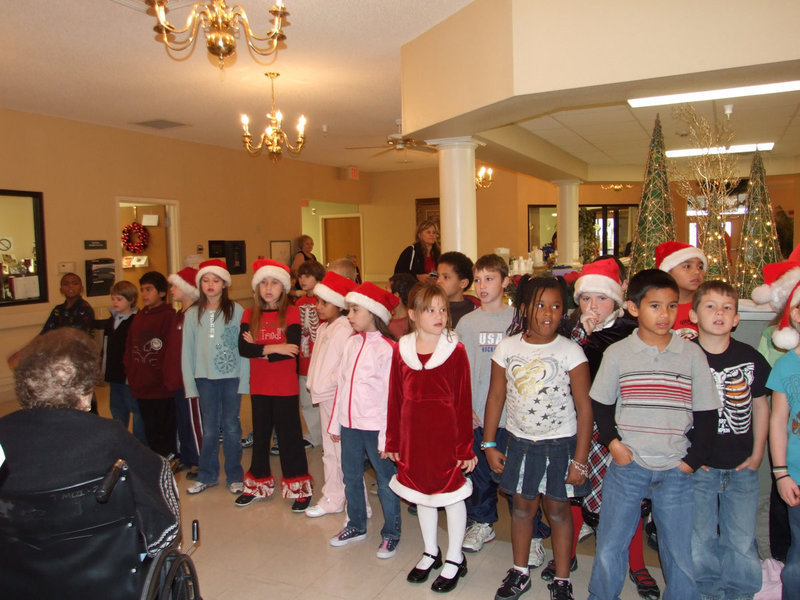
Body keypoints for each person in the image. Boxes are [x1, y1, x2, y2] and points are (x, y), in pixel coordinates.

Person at [588, 269, 720, 600]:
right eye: (655, 306)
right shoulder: (618, 353)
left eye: (672, 306)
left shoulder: (691, 354)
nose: (665, 315)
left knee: (678, 552)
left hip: (676, 469)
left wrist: (692, 460)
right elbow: (600, 405)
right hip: (628, 465)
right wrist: (614, 444)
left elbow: (707, 413)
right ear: (633, 308)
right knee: (610, 545)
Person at [0, 328, 179, 559]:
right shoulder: (107, 435)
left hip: (19, 565)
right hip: (97, 563)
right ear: (84, 392)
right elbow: (157, 482)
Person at [554, 259, 656, 600]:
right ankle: (567, 556)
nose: (592, 306)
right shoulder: (569, 330)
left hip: (620, 427)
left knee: (628, 497)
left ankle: (636, 562)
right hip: (577, 424)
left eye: (600, 298)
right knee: (573, 488)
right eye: (585, 299)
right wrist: (581, 334)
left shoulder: (632, 329)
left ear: (616, 299)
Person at [484, 275, 591, 600]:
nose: (548, 313)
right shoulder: (507, 347)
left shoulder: (570, 351)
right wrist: (489, 444)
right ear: (525, 308)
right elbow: (496, 398)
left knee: (558, 512)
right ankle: (519, 572)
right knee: (521, 510)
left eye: (556, 306)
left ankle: (561, 579)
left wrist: (581, 460)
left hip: (560, 446)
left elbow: (585, 409)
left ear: (565, 310)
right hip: (519, 445)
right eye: (540, 305)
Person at [386, 281, 476, 592]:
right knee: (421, 495)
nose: (439, 315)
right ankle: (430, 551)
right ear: (412, 314)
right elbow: (394, 399)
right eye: (430, 310)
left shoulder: (455, 350)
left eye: (443, 310)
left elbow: (464, 402)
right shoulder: (402, 349)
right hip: (414, 440)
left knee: (451, 495)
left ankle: (454, 557)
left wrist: (465, 448)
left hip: (446, 440)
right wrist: (393, 442)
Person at [689, 280, 770, 600]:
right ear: (694, 315)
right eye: (710, 306)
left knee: (740, 537)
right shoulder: (685, 357)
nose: (719, 312)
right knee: (700, 535)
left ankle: (741, 591)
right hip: (700, 467)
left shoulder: (750, 358)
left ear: (736, 318)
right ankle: (705, 589)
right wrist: (690, 454)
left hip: (742, 466)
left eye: (727, 307)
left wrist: (758, 452)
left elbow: (761, 404)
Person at [328, 282, 401, 558]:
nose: (349, 315)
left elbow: (390, 398)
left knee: (385, 481)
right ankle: (356, 524)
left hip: (376, 428)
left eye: (355, 310)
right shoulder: (351, 343)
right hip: (350, 426)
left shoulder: (387, 349)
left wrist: (387, 437)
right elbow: (342, 386)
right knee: (351, 476)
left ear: (373, 313)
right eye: (349, 310)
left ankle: (391, 533)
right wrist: (336, 422)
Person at [236, 259, 313, 511]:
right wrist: (273, 347)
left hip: (285, 388)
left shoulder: (290, 313)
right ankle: (257, 484)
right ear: (257, 288)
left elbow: (291, 351)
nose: (269, 288)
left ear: (283, 287)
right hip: (259, 387)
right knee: (260, 439)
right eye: (264, 283)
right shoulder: (249, 314)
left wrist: (261, 349)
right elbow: (243, 348)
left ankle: (299, 488)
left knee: (290, 439)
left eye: (275, 283)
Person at [455, 255, 517, 554]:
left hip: (513, 417)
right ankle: (482, 522)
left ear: (506, 281)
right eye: (478, 279)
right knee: (479, 474)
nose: (482, 286)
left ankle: (528, 532)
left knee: (515, 476)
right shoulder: (467, 323)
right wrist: (465, 410)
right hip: (478, 414)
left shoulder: (518, 319)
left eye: (489, 278)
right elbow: (460, 371)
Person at [752, 250, 800, 597]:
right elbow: (777, 416)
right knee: (795, 553)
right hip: (792, 467)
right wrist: (781, 472)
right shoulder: (784, 363)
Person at [182, 259, 249, 495]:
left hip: (231, 377)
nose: (210, 285)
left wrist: (245, 377)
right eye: (206, 280)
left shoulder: (237, 311)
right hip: (204, 379)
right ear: (200, 284)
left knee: (231, 427)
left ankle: (234, 476)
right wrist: (189, 384)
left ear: (224, 284)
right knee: (209, 429)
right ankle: (207, 475)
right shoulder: (192, 314)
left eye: (216, 280)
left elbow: (243, 348)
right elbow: (187, 351)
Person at [305, 271, 357, 517]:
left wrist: (325, 385)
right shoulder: (327, 327)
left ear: (339, 304)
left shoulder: (344, 328)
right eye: (317, 302)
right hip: (325, 397)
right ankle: (334, 495)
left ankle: (349, 500)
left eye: (324, 302)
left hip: (336, 399)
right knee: (330, 451)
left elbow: (343, 368)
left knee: (339, 452)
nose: (318, 307)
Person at [123, 271, 177, 459]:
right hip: (141, 383)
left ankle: (169, 456)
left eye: (149, 289)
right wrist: (132, 371)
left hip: (161, 386)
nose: (145, 294)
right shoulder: (139, 316)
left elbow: (170, 350)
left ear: (162, 293)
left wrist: (162, 374)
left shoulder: (169, 316)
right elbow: (130, 346)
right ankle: (155, 457)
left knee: (165, 424)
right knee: (149, 425)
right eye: (142, 290)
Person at [94, 280, 145, 446]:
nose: (115, 302)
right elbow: (106, 347)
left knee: (136, 411)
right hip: (114, 375)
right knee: (117, 411)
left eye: (119, 299)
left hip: (130, 376)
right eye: (113, 299)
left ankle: (139, 444)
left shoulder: (136, 321)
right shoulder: (111, 321)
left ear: (130, 300)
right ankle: (120, 443)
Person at [164, 267, 202, 480]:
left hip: (190, 379)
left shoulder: (195, 315)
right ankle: (186, 455)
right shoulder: (179, 315)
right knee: (182, 420)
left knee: (194, 420)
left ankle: (198, 458)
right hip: (176, 378)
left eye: (175, 286)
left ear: (187, 289)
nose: (171, 290)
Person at [295, 259, 326, 448]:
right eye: (300, 276)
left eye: (308, 276)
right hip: (303, 359)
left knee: (324, 402)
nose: (302, 280)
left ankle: (329, 436)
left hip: (320, 359)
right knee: (307, 401)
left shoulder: (323, 302)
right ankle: (315, 436)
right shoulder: (299, 302)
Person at [655, 241, 706, 339]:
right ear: (668, 272)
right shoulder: (656, 309)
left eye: (700, 267)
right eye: (687, 266)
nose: (697, 272)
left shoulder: (708, 306)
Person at [437, 251, 479, 327]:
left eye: (446, 277)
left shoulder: (476, 310)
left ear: (463, 283)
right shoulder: (429, 307)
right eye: (438, 276)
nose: (438, 281)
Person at [387, 272, 417, 339]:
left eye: (387, 290)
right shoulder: (386, 320)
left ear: (396, 295)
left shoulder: (412, 324)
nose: (384, 294)